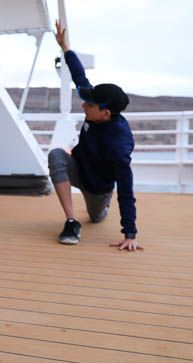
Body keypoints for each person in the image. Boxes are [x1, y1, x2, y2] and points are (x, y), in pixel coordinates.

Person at [48, 21, 142, 251]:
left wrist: (130, 233)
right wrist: (65, 47)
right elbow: (79, 76)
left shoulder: (119, 143)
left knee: (96, 217)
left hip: (97, 188)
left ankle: (102, 207)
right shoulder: (96, 106)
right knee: (56, 155)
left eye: (89, 105)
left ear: (106, 113)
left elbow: (126, 188)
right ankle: (71, 222)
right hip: (79, 168)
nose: (83, 106)